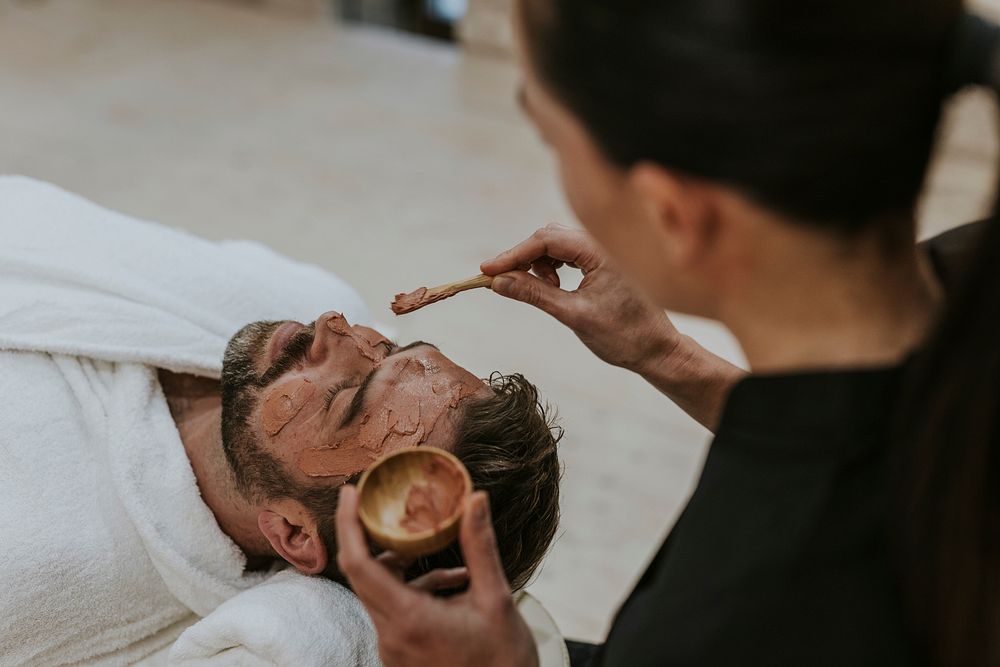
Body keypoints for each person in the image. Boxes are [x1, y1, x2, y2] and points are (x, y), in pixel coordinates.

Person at [334, 2, 1000, 665]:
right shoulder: (969, 279)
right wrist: (665, 354)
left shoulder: (735, 615)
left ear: (671, 214)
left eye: (554, 141)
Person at [0, 176, 560, 665]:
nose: (334, 326)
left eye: (344, 401)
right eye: (390, 350)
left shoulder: (37, 561)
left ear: (293, 533)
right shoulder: (288, 297)